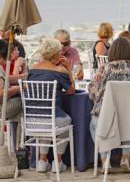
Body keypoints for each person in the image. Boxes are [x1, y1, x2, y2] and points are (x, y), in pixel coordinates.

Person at [88, 37, 130, 173]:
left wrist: (91, 87)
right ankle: (125, 157)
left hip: (107, 119)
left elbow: (94, 95)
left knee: (94, 124)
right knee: (127, 120)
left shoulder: (105, 69)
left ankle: (105, 161)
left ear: (112, 51)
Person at [28, 38, 75, 173]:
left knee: (45, 117)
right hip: (51, 120)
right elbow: (71, 91)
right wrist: (68, 69)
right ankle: (58, 162)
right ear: (55, 54)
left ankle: (42, 161)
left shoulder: (32, 70)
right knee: (65, 120)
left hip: (31, 120)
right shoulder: (60, 70)